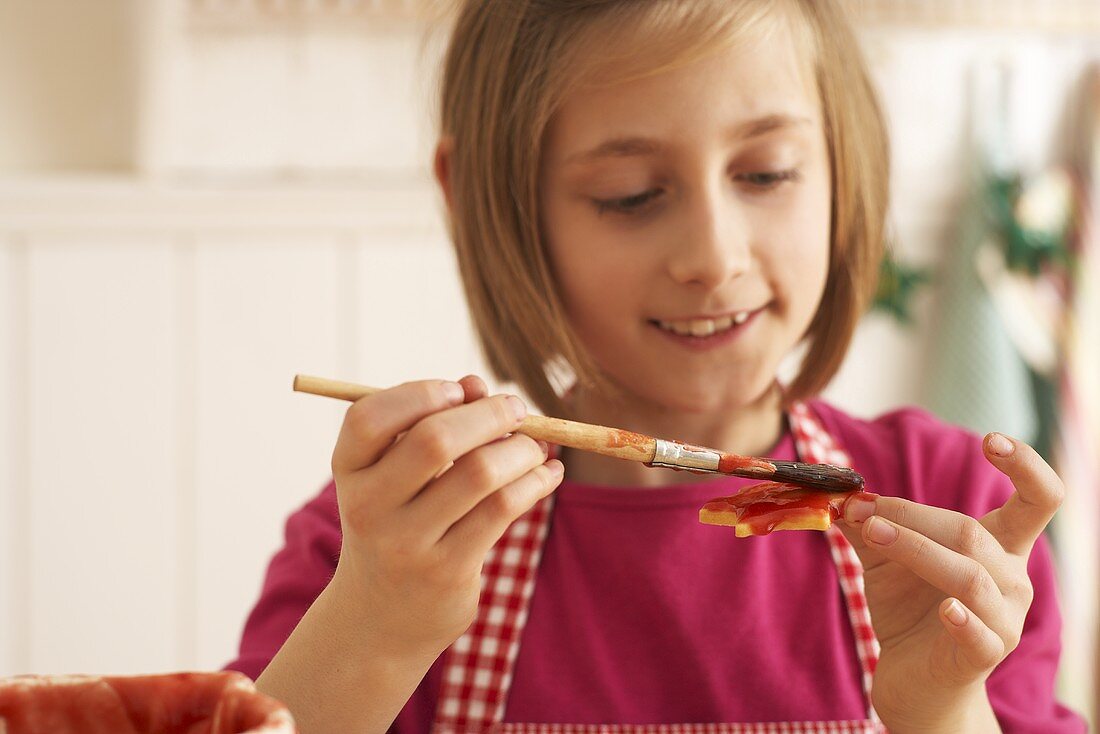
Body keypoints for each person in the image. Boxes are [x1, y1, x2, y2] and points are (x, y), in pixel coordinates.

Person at [225, 1, 1086, 732]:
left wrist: (943, 707)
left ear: (842, 170)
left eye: (765, 172)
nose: (713, 257)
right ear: (488, 201)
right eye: (631, 194)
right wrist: (377, 624)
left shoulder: (954, 511)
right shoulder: (390, 544)